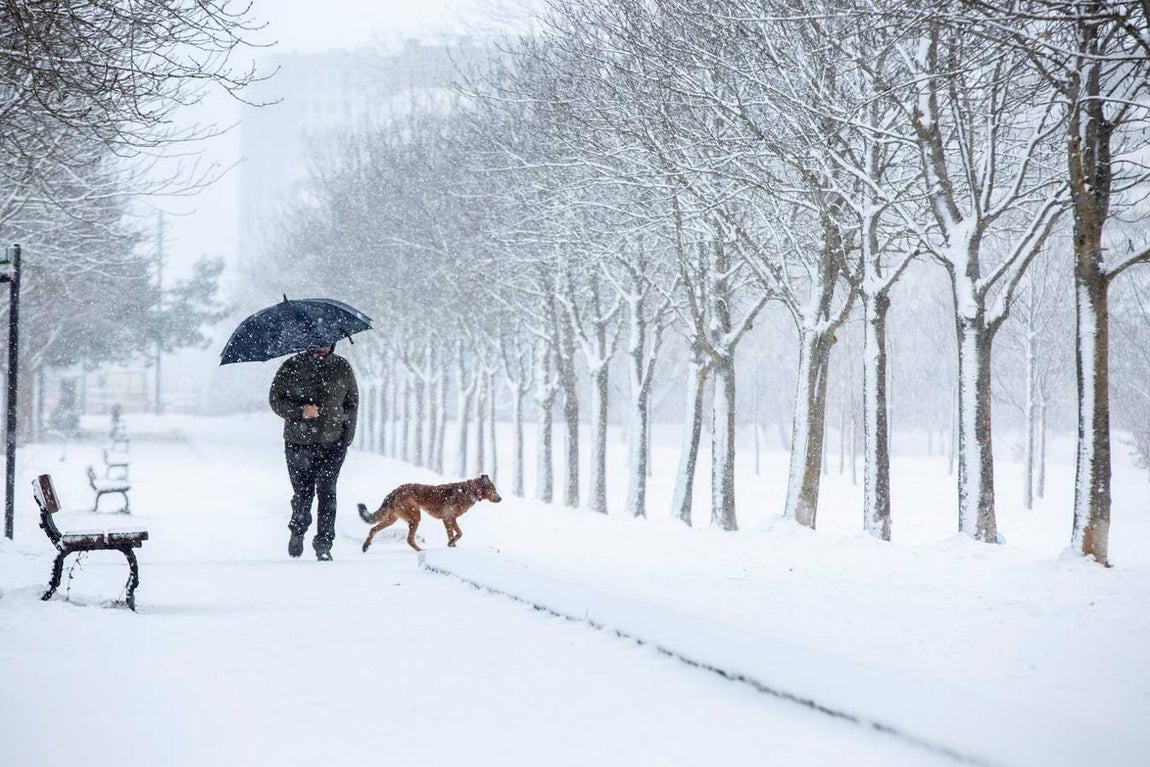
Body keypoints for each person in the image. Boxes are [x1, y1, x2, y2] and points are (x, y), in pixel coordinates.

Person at [268, 343, 359, 561]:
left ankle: (324, 544)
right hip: (299, 442)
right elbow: (275, 400)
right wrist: (300, 411)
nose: (323, 345)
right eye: (318, 341)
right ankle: (298, 530)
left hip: (333, 442)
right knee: (303, 493)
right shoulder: (292, 366)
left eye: (327, 341)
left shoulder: (342, 367)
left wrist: (346, 438)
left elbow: (351, 404)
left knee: (327, 492)